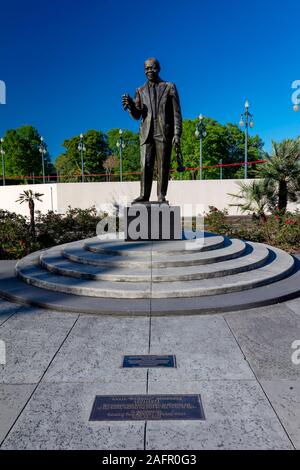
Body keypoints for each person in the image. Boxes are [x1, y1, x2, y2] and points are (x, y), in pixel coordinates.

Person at [122, 57, 182, 203]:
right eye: (146, 68)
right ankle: (144, 195)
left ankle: (161, 195)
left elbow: (177, 113)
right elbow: (137, 115)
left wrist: (177, 133)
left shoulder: (169, 86)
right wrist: (130, 105)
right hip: (146, 133)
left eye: (152, 67)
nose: (149, 71)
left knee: (163, 165)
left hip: (163, 131)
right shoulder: (140, 90)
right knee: (145, 164)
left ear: (158, 68)